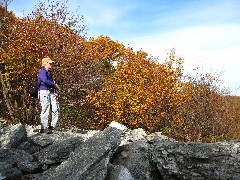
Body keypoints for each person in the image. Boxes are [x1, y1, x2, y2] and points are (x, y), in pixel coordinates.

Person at [38, 57, 60, 133]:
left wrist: (55, 91)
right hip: (44, 91)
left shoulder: (49, 73)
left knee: (55, 108)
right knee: (45, 108)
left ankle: (53, 126)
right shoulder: (42, 72)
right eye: (50, 63)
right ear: (45, 63)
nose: (51, 64)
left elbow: (51, 82)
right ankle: (43, 128)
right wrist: (54, 85)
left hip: (51, 92)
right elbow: (45, 81)